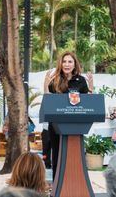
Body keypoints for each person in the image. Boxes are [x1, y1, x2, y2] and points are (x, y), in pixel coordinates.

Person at [43, 51, 93, 179]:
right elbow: (48, 102)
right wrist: (45, 86)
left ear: (74, 64)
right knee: (57, 157)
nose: (67, 64)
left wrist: (91, 87)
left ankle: (73, 185)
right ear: (60, 63)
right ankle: (57, 186)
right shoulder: (54, 80)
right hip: (56, 126)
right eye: (64, 61)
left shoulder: (81, 81)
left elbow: (88, 102)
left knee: (74, 157)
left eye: (70, 61)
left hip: (75, 126)